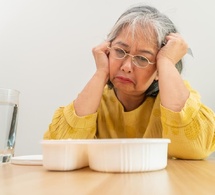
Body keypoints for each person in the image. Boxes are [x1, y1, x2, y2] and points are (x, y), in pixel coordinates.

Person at [43, 4, 215, 159]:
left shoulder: (177, 98)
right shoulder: (95, 101)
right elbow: (59, 150)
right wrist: (102, 71)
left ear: (159, 71)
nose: (126, 66)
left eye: (141, 59)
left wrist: (166, 62)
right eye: (120, 51)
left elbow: (196, 148)